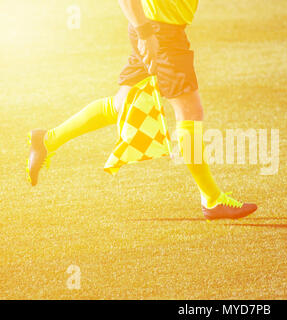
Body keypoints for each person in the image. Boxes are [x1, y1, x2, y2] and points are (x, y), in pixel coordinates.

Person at [27, 0, 257, 220]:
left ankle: (47, 140)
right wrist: (146, 34)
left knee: (120, 105)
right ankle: (212, 199)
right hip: (160, 34)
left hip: (158, 30)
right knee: (190, 113)